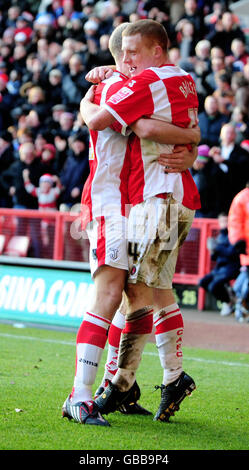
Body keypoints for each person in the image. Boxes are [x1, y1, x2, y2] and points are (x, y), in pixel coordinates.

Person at [62, 21, 200, 427]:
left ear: (151, 52)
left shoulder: (141, 85)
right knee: (120, 293)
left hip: (142, 203)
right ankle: (85, 393)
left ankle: (119, 384)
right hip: (110, 205)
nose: (128, 60)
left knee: (138, 294)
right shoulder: (117, 87)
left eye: (133, 53)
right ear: (116, 56)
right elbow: (106, 120)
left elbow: (130, 123)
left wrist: (191, 141)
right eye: (124, 54)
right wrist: (192, 136)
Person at [199, 212, 241, 316]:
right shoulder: (220, 236)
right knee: (203, 282)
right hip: (219, 269)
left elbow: (231, 252)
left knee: (214, 286)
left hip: (232, 268)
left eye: (226, 221)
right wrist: (212, 251)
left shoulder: (234, 234)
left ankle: (229, 302)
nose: (224, 223)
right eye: (222, 221)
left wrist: (217, 247)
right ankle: (229, 299)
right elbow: (215, 257)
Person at [228, 182, 249, 322]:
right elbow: (235, 221)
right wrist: (238, 240)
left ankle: (238, 299)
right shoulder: (242, 198)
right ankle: (241, 304)